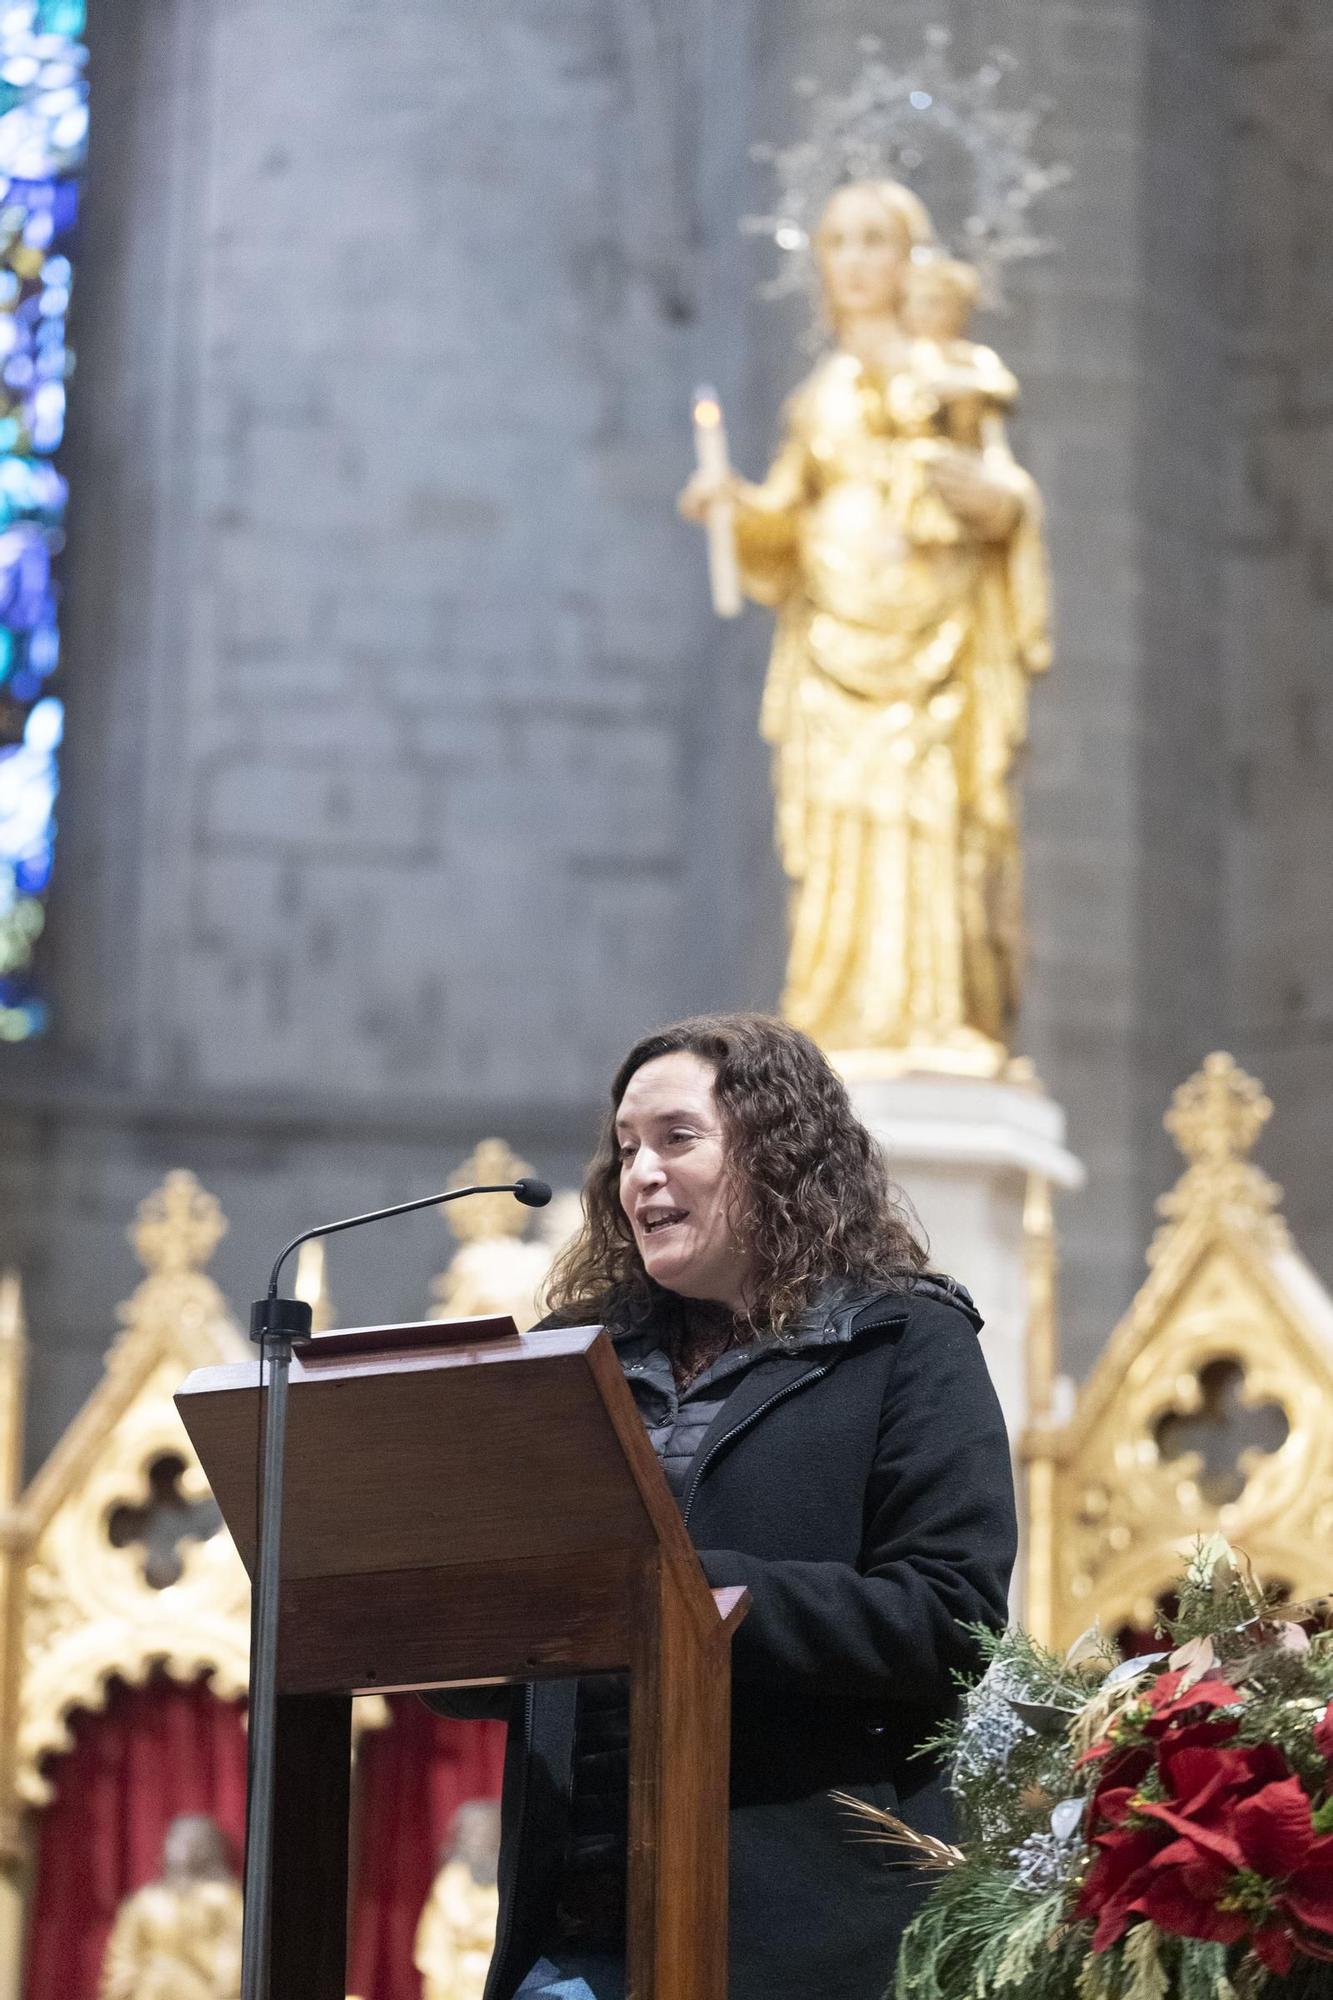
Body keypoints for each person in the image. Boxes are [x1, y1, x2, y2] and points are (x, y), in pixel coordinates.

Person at [430, 1012, 1016, 2000]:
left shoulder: (903, 1342)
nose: (641, 1174)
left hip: (801, 1931)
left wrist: (696, 1597)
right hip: (574, 1930)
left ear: (774, 1149)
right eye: (624, 1150)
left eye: (675, 1138)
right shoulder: (573, 1359)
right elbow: (512, 1648)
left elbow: (950, 1614)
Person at [679, 182, 1051, 1074]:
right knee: (843, 821)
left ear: (911, 258)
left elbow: (1003, 490)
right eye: (836, 241)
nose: (853, 260)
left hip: (938, 643)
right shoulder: (822, 395)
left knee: (931, 814)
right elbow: (787, 521)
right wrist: (732, 506)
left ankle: (936, 1014)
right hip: (834, 645)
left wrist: (1002, 506)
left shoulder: (955, 371)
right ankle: (840, 1008)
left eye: (874, 240)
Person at [98, 1813, 242, 2000]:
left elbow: (235, 1955)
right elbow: (123, 1959)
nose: (181, 1846)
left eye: (192, 1840)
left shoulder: (223, 1899)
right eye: (176, 1839)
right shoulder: (145, 1902)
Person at [415, 1800, 504, 2000]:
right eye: (467, 1832)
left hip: (499, 1975)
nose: (473, 1839)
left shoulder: (511, 1884)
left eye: (480, 1831)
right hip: (456, 1983)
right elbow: (435, 1945)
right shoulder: (452, 1881)